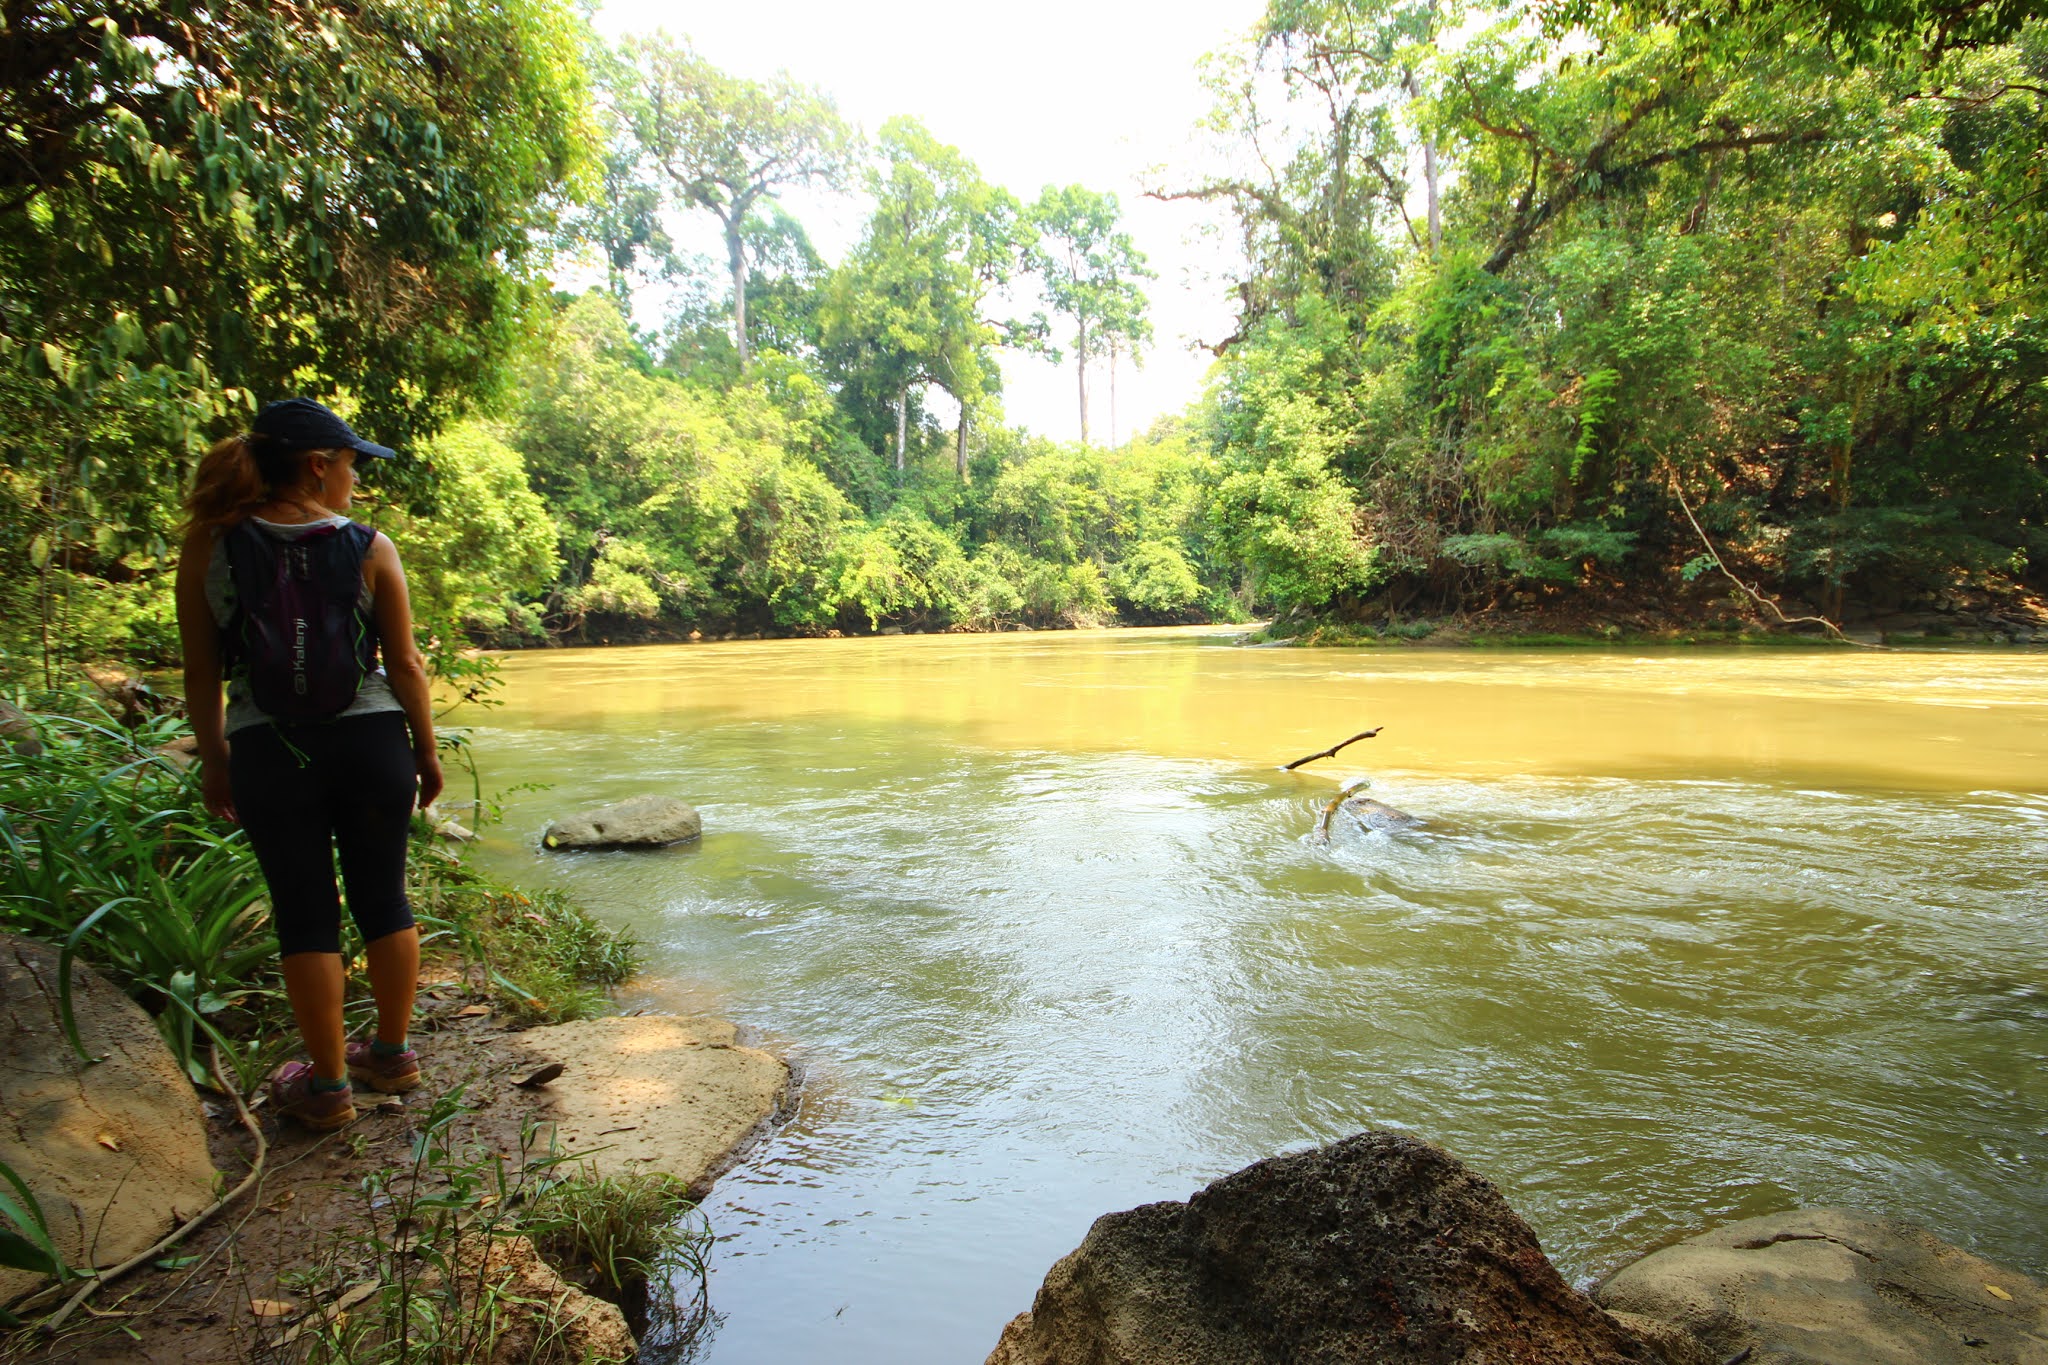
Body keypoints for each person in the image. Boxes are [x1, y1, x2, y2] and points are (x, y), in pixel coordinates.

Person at [175, 397, 443, 1130]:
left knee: (303, 911)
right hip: (373, 742)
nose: (356, 478)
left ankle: (328, 1088)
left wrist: (215, 758)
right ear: (318, 466)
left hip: (270, 747)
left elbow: (201, 669)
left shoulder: (211, 544)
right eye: (352, 464)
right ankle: (392, 1054)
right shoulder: (370, 546)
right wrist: (424, 750)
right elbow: (406, 664)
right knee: (384, 898)